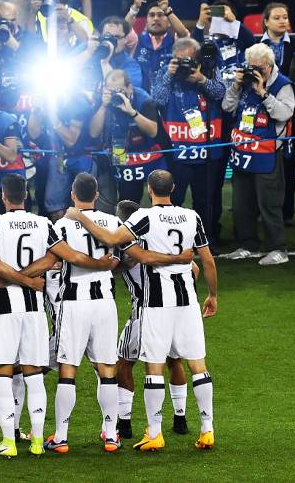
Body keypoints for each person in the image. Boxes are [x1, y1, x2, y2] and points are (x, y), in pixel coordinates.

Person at [0, 173, 115, 457]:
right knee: (33, 374)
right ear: (26, 195)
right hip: (34, 309)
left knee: (2, 372)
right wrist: (97, 264)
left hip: (4, 309)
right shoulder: (43, 224)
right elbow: (57, 258)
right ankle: (38, 442)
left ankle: (8, 442)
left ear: (3, 196)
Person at [66, 169, 217, 452]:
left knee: (153, 366)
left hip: (155, 304)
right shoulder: (191, 216)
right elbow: (204, 262)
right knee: (197, 364)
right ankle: (207, 429)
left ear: (149, 189)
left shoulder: (142, 218)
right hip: (187, 302)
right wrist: (213, 295)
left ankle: (155, 432)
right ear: (174, 188)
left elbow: (112, 240)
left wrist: (80, 216)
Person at [111, 198, 194, 441]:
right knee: (174, 361)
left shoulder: (126, 244)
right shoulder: (159, 241)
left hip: (144, 309)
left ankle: (124, 424)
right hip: (172, 308)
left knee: (125, 362)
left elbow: (115, 265)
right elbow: (195, 270)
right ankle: (180, 419)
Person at [222, 42, 295, 265]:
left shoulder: (283, 85)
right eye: (251, 66)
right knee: (242, 202)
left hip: (268, 154)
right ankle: (248, 244)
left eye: (259, 68)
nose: (255, 71)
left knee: (269, 202)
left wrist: (263, 93)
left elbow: (285, 113)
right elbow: (227, 107)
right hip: (243, 152)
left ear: (270, 66)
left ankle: (278, 249)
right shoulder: (243, 82)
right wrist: (235, 86)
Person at [151, 38, 225, 245]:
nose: (185, 65)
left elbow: (221, 93)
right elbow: (157, 100)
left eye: (189, 60)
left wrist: (201, 79)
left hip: (207, 151)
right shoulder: (166, 72)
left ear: (197, 58)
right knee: (173, 199)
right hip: (177, 151)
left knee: (205, 200)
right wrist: (169, 75)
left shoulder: (209, 70)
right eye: (180, 60)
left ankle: (206, 240)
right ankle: (169, 241)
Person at [90, 68, 165, 204]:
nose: (116, 95)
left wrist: (132, 112)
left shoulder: (144, 100)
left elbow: (153, 131)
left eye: (120, 91)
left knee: (159, 199)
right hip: (121, 149)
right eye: (112, 92)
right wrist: (103, 106)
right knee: (128, 200)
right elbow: (94, 133)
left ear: (129, 87)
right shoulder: (105, 102)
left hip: (149, 152)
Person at [129, 0, 190, 91]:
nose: (156, 19)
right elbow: (123, 31)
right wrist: (134, 7)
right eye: (152, 15)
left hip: (169, 100)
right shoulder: (136, 41)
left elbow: (183, 34)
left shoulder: (175, 42)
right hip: (141, 101)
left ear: (169, 21)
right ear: (146, 20)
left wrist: (167, 10)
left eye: (161, 15)